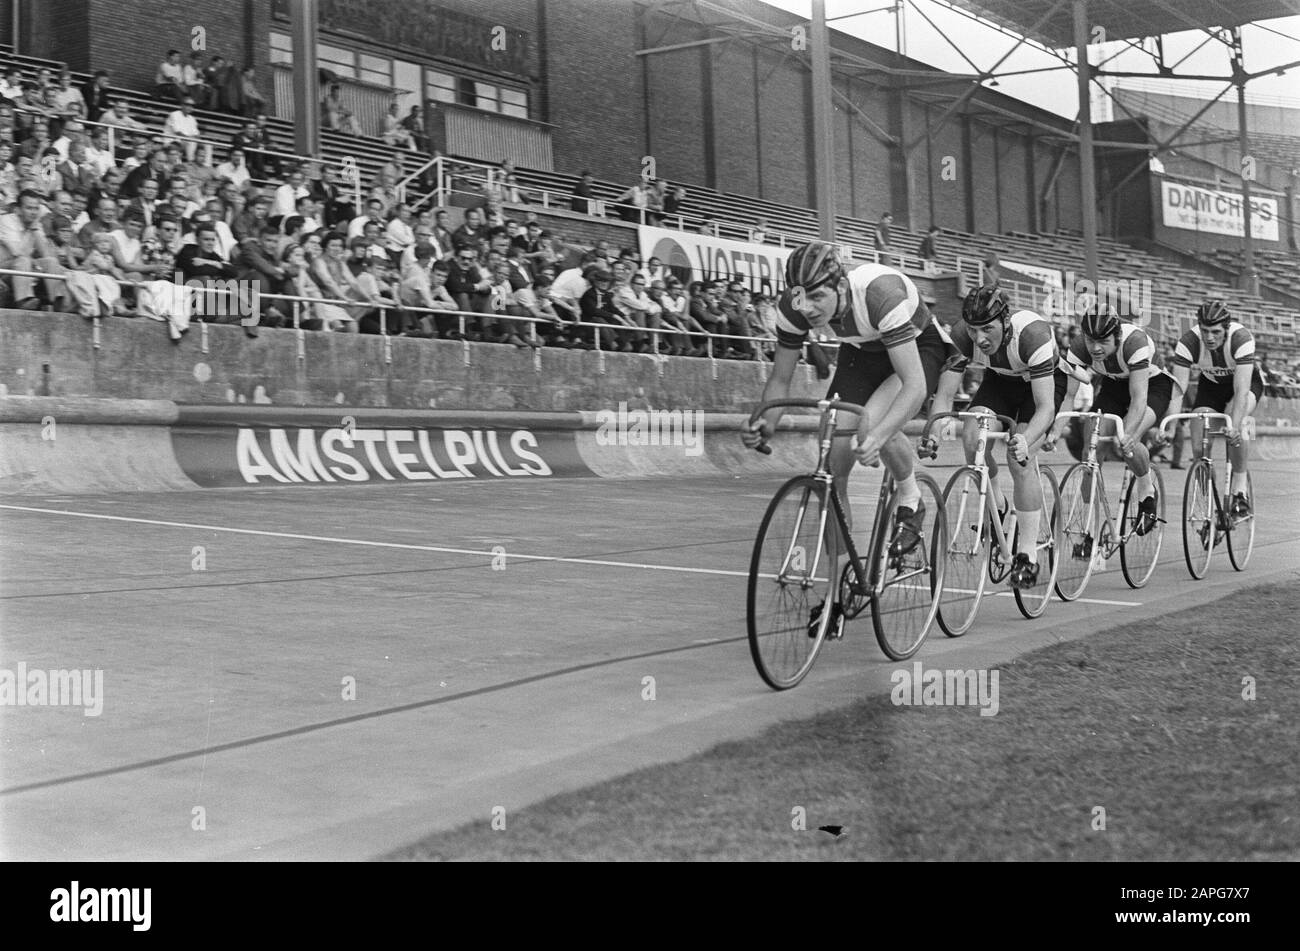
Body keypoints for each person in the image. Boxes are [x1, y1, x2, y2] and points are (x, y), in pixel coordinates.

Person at [742, 242, 954, 638]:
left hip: (917, 348)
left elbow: (913, 387)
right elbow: (779, 380)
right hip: (862, 351)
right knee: (832, 466)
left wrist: (878, 435)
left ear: (841, 284)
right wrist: (764, 422)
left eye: (819, 296)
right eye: (801, 299)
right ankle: (837, 592)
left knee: (869, 423)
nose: (808, 309)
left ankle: (910, 497)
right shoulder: (796, 306)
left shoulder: (880, 294)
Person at [925, 284, 1068, 591]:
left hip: (1041, 386)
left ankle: (1027, 554)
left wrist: (1025, 439)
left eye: (988, 329)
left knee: (1020, 460)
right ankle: (998, 504)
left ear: (1006, 320)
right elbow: (945, 394)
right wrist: (934, 430)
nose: (980, 339)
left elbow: (1045, 408)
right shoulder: (963, 336)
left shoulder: (1033, 335)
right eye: (974, 330)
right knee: (972, 437)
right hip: (1001, 380)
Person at [1046, 305, 1174, 539]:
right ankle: (1089, 529)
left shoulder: (1134, 342)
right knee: (1091, 450)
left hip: (1152, 386)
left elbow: (1138, 399)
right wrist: (1054, 430)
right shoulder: (1079, 347)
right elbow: (1069, 396)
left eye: (1103, 341)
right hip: (1113, 385)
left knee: (1126, 441)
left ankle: (1146, 489)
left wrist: (1127, 435)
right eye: (1090, 341)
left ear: (1116, 336)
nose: (1095, 348)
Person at [1167, 299, 1263, 518]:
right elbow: (1178, 389)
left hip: (1243, 386)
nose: (1209, 337)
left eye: (1216, 332)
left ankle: (1239, 489)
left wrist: (1235, 426)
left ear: (1226, 329)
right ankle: (1207, 496)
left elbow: (1241, 391)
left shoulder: (1241, 338)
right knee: (1200, 443)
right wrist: (1171, 425)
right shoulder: (1189, 341)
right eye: (1205, 331)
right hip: (1210, 387)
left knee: (1234, 422)